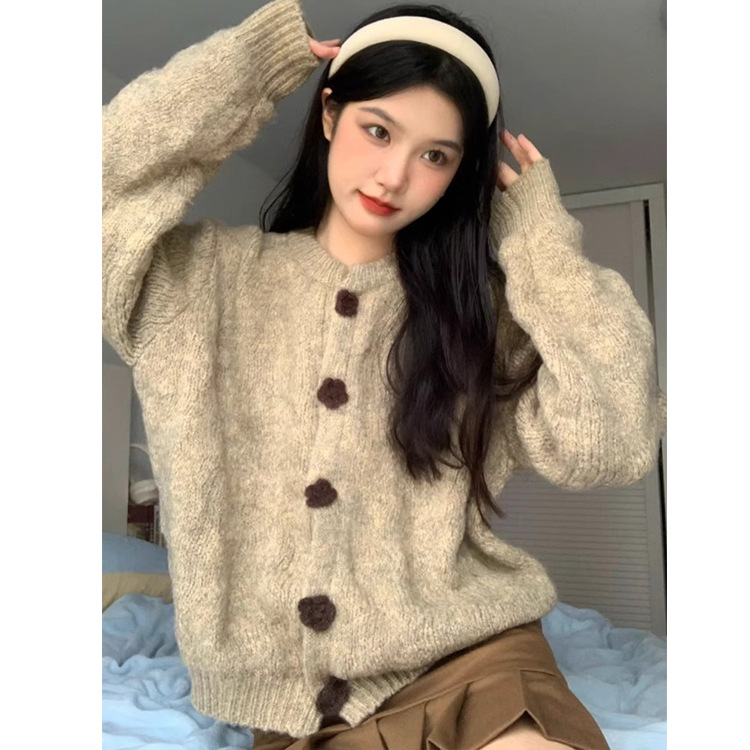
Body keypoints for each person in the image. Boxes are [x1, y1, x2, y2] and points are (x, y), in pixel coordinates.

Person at [102, 0, 666, 747]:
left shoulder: (476, 314)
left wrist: (541, 244)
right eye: (378, 130)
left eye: (436, 156)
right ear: (330, 115)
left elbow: (612, 442)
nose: (395, 175)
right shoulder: (196, 281)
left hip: (473, 656)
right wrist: (246, 70)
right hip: (292, 704)